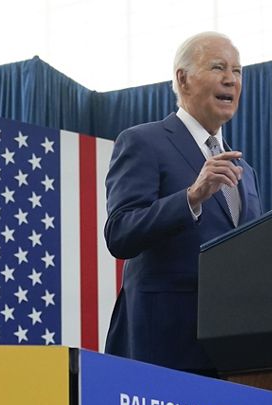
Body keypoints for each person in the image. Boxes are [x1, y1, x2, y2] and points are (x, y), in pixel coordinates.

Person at [102, 31, 262, 373]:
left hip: (231, 349)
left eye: (238, 70)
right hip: (162, 346)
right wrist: (191, 197)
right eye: (218, 67)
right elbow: (120, 232)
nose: (231, 79)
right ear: (183, 78)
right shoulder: (143, 142)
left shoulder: (244, 171)